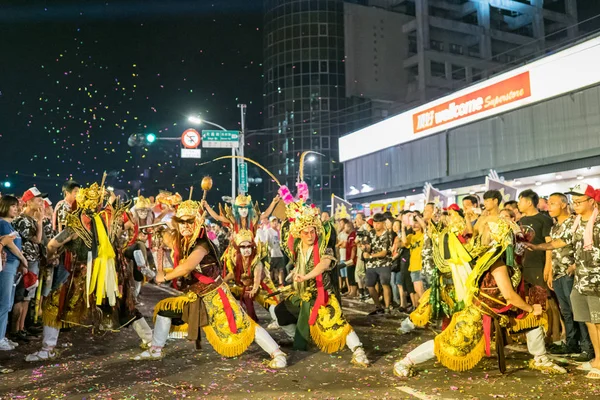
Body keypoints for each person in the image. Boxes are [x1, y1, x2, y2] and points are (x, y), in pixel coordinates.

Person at [394, 205, 566, 377]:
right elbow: (509, 295)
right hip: (480, 313)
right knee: (450, 344)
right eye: (514, 239)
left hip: (499, 310)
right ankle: (405, 361)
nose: (517, 242)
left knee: (532, 320)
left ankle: (540, 357)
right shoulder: (496, 261)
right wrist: (529, 308)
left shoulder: (500, 255)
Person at [133, 200, 286, 368]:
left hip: (216, 298)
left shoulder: (202, 244)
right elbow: (172, 247)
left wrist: (163, 277)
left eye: (189, 221)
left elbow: (187, 267)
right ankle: (156, 349)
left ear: (197, 222)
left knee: (244, 325)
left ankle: (277, 353)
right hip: (196, 297)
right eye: (181, 222)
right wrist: (160, 238)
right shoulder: (186, 242)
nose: (185, 226)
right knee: (165, 310)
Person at [26, 183, 153, 362]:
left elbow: (52, 244)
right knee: (124, 307)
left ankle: (48, 349)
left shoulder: (77, 226)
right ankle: (151, 341)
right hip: (109, 276)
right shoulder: (110, 223)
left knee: (54, 305)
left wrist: (51, 256)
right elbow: (128, 228)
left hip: (82, 277)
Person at [272, 197, 369, 367]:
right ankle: (296, 336)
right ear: (299, 234)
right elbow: (298, 263)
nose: (310, 236)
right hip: (302, 293)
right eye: (306, 232)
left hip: (321, 295)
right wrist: (295, 273)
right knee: (280, 311)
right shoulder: (298, 248)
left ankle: (358, 350)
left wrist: (306, 276)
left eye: (312, 232)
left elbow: (323, 265)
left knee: (336, 324)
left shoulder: (324, 247)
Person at [527, 183, 600, 378]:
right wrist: (536, 247)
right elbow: (560, 242)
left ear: (592, 202)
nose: (575, 204)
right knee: (588, 321)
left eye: (579, 201)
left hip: (596, 280)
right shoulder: (576, 224)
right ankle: (597, 359)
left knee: (598, 321)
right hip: (580, 280)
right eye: (574, 201)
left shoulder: (599, 221)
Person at [545, 192, 593, 359]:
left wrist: (574, 266)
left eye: (552, 203)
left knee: (578, 311)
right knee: (566, 311)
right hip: (558, 273)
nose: (548, 207)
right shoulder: (554, 226)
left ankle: (587, 346)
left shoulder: (574, 222)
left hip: (571, 272)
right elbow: (552, 249)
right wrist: (550, 270)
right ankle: (572, 343)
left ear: (564, 204)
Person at [518, 189, 558, 342]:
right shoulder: (519, 222)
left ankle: (553, 336)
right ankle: (534, 334)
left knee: (547, 302)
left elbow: (549, 245)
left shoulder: (544, 219)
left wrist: (548, 266)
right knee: (529, 301)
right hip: (524, 265)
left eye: (520, 201)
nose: (518, 204)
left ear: (528, 202)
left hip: (539, 264)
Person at [11, 187, 49, 343]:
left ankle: (22, 328)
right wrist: (40, 221)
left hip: (33, 260)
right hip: (24, 262)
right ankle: (15, 330)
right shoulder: (22, 220)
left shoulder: (31, 220)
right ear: (28, 201)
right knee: (21, 296)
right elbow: (36, 240)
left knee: (28, 297)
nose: (41, 202)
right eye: (38, 199)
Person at [222, 229, 280, 325]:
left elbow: (257, 277)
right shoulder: (235, 258)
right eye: (243, 247)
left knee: (271, 302)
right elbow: (232, 274)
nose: (246, 249)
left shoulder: (256, 261)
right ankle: (243, 317)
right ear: (238, 248)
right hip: (244, 286)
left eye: (249, 246)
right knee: (226, 292)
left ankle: (277, 320)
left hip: (261, 286)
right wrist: (221, 283)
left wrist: (254, 289)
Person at [0, 195, 27, 352]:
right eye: (12, 206)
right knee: (4, 303)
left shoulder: (10, 226)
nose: (16, 208)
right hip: (7, 265)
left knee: (8, 303)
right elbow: (10, 245)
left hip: (13, 266)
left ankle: (3, 336)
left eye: (17, 206)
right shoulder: (3, 224)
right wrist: (23, 258)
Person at [362, 213, 393, 315]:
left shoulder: (387, 234)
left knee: (385, 284)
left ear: (383, 223)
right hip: (372, 264)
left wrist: (370, 256)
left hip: (384, 263)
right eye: (374, 223)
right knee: (369, 285)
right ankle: (378, 306)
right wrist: (365, 248)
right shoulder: (371, 233)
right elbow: (369, 246)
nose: (375, 225)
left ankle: (387, 307)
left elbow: (384, 252)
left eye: (378, 223)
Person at [267, 217, 285, 287]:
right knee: (270, 270)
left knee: (281, 269)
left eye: (276, 221)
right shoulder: (269, 231)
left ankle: (281, 284)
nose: (275, 223)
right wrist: (269, 251)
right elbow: (266, 242)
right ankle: (270, 285)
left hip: (279, 253)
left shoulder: (279, 231)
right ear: (270, 223)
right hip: (272, 254)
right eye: (273, 221)